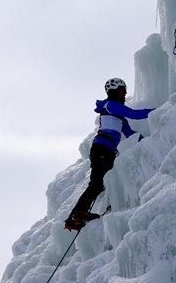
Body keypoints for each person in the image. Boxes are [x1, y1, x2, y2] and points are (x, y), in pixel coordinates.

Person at [65, 78, 155, 230]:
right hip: (102, 148)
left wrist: (148, 141)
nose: (124, 94)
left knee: (99, 184)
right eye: (122, 91)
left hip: (105, 150)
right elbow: (134, 114)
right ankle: (77, 214)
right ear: (114, 92)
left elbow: (130, 133)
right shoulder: (111, 105)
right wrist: (158, 111)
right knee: (96, 184)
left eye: (125, 91)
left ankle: (76, 217)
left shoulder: (118, 116)